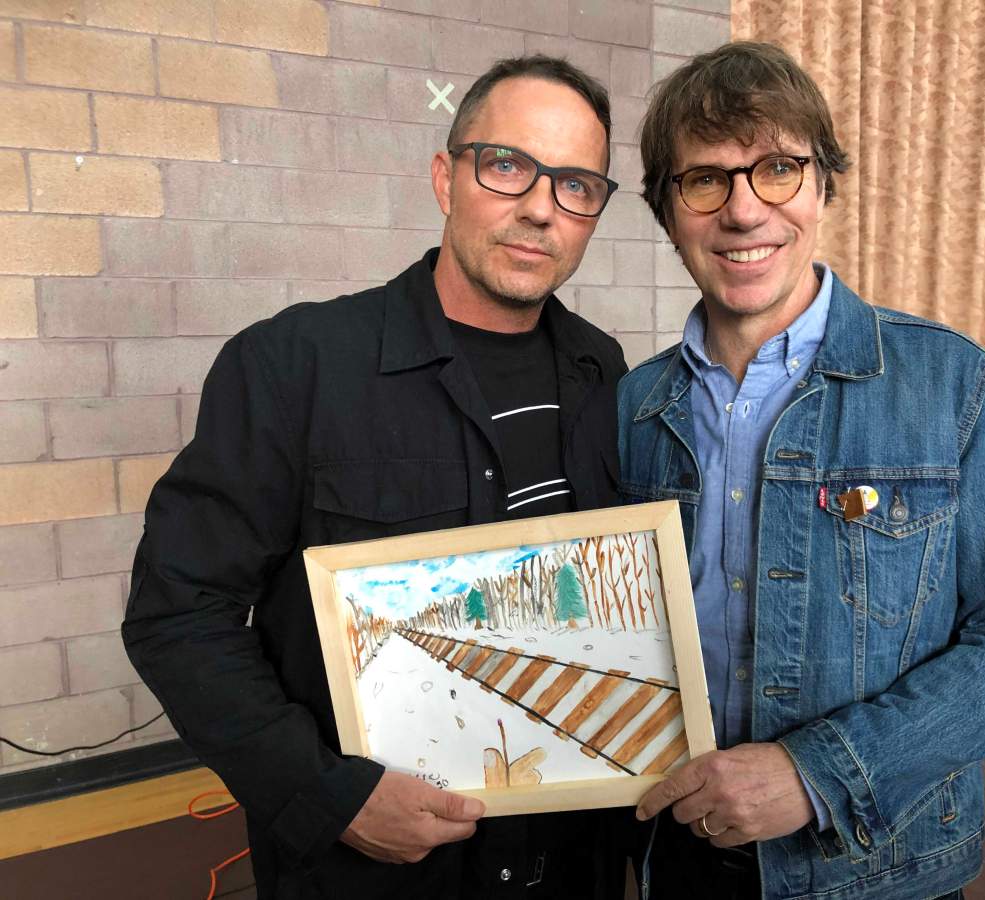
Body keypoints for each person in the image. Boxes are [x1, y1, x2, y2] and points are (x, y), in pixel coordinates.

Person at [123, 55, 632, 899]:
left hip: (569, 860)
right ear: (445, 178)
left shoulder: (605, 374)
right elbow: (179, 614)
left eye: (576, 185)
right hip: (373, 873)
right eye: (508, 165)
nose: (541, 207)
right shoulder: (294, 365)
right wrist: (328, 797)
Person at [618, 42, 985, 900]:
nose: (744, 211)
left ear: (824, 184)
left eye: (778, 169)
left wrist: (817, 773)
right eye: (705, 179)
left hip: (879, 869)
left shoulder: (956, 385)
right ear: (667, 210)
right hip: (677, 858)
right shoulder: (631, 407)